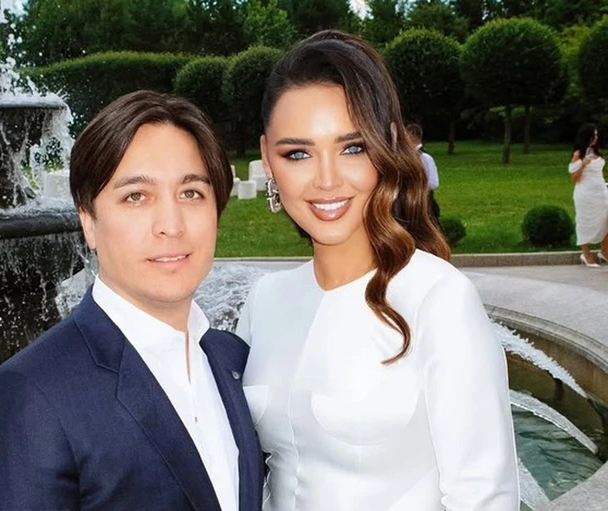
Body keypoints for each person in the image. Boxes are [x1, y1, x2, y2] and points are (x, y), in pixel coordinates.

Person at [236, 30, 519, 510]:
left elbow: (484, 497)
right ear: (267, 160)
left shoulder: (438, 298)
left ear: (387, 146)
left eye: (352, 147)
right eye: (298, 153)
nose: (327, 180)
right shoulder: (266, 300)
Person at [0, 90, 263, 511]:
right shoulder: (28, 396)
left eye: (191, 193)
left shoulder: (234, 359)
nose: (171, 225)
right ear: (89, 221)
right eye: (136, 196)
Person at [568, 123, 608, 267]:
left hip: (601, 192)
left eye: (597, 134)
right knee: (585, 221)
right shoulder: (578, 155)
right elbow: (574, 179)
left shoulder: (597, 152)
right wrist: (583, 165)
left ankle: (605, 251)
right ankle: (586, 254)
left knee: (605, 220)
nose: (596, 137)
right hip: (585, 194)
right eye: (594, 135)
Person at [406, 122, 441, 223]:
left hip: (424, 206)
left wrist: (416, 189)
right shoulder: (408, 158)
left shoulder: (425, 158)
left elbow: (434, 183)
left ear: (413, 135)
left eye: (406, 136)